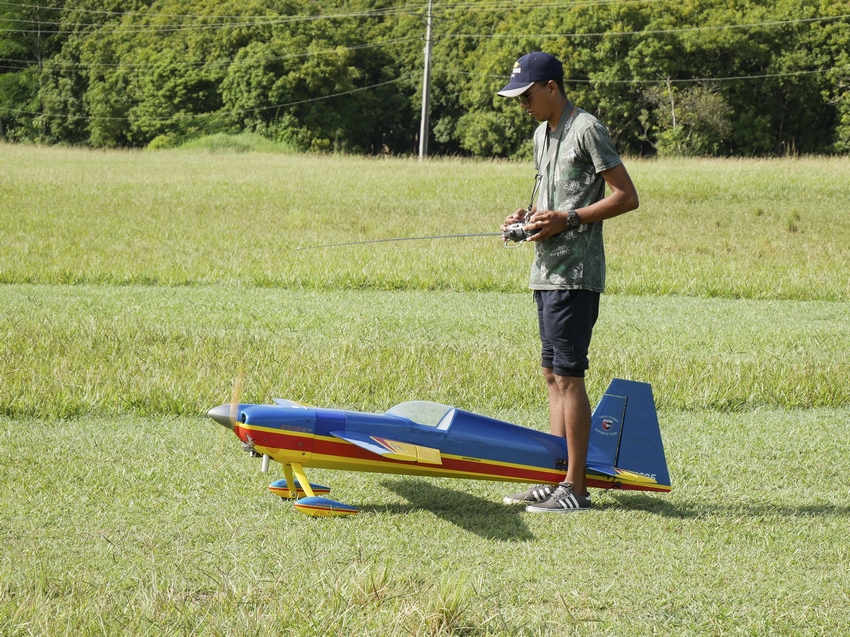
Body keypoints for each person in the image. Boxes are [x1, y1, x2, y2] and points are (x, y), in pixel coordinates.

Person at [497, 52, 639, 513]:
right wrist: (526, 216)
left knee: (569, 375)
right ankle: (554, 480)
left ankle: (576, 489)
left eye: (527, 96)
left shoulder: (586, 129)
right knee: (550, 375)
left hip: (575, 275)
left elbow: (626, 196)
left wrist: (569, 218)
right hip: (544, 272)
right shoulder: (542, 134)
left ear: (552, 87)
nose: (523, 105)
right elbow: (550, 194)